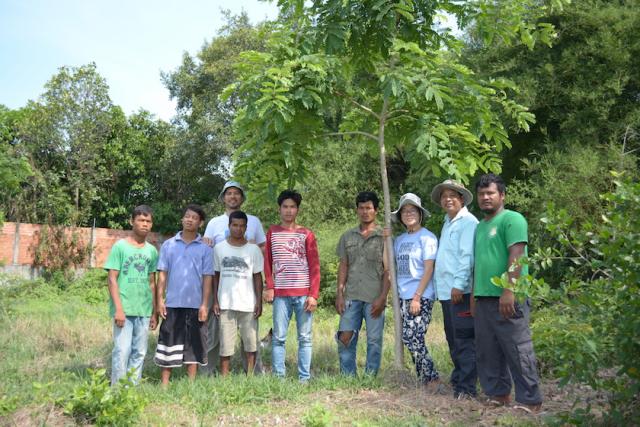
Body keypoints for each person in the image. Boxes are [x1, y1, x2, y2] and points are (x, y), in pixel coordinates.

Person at [473, 173, 543, 412]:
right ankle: (499, 394)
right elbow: (480, 263)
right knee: (488, 349)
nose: (485, 198)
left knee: (517, 348)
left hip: (508, 296)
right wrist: (475, 295)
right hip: (484, 299)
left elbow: (517, 256)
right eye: (482, 194)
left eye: (490, 193)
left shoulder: (513, 219)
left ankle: (530, 400)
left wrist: (509, 290)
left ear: (502, 195)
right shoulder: (480, 226)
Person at [203, 180, 266, 374]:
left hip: (245, 289)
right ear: (223, 197)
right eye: (229, 193)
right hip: (220, 286)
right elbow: (207, 249)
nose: (233, 196)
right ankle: (209, 371)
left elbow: (262, 248)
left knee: (250, 336)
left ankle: (253, 373)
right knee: (215, 332)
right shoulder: (214, 222)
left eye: (236, 193)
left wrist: (251, 251)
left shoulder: (254, 221)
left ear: (242, 197)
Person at [263, 190, 320, 382]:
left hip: (303, 294)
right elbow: (267, 262)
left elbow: (314, 266)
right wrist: (269, 286)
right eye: (285, 207)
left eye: (292, 207)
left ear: (298, 209)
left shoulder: (306, 234)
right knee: (278, 337)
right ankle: (279, 378)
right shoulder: (272, 232)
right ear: (279, 209)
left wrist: (314, 294)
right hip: (281, 294)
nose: (288, 211)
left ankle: (304, 378)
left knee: (305, 337)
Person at [154, 204, 214, 385]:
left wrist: (204, 304)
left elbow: (207, 278)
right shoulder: (169, 245)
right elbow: (162, 275)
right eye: (187, 216)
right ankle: (164, 384)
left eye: (194, 217)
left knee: (194, 344)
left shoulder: (205, 248)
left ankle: (191, 385)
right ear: (182, 219)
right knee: (168, 342)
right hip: (172, 303)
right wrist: (159, 300)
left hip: (196, 305)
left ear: (200, 223)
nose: (189, 219)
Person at [431, 180, 479, 399]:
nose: (447, 199)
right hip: (447, 292)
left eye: (452, 195)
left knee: (464, 339)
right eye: (444, 196)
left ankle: (467, 388)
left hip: (460, 291)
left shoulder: (468, 222)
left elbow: (467, 256)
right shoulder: (448, 221)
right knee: (452, 338)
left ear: (461, 199)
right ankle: (459, 379)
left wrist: (459, 285)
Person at [335, 191, 390, 376]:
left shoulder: (384, 237)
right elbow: (343, 265)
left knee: (374, 340)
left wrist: (383, 297)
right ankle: (348, 377)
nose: (365, 211)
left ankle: (370, 377)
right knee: (345, 336)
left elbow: (388, 271)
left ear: (376, 210)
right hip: (351, 295)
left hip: (374, 296)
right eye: (361, 208)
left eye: (369, 208)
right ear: (357, 210)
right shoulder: (347, 236)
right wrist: (340, 294)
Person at [104, 205, 159, 386]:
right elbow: (112, 279)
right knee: (121, 350)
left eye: (148, 221)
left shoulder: (151, 251)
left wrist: (154, 312)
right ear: (132, 222)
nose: (144, 224)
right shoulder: (120, 247)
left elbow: (152, 282)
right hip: (124, 310)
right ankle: (117, 390)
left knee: (140, 352)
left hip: (143, 310)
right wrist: (118, 309)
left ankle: (131, 389)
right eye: (141, 220)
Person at [392, 193, 441, 390]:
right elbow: (392, 265)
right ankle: (424, 379)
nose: (408, 214)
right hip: (403, 296)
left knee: (413, 337)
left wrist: (417, 297)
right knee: (409, 337)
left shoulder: (427, 237)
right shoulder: (399, 240)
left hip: (420, 296)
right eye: (405, 211)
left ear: (420, 214)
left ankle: (432, 377)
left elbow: (429, 269)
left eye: (412, 210)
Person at [212, 211, 264, 375]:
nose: (238, 229)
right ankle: (224, 377)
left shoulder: (253, 250)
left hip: (248, 304)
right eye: (235, 225)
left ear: (246, 228)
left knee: (250, 344)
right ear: (229, 226)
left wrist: (259, 301)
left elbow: (257, 278)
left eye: (242, 226)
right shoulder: (219, 249)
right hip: (226, 303)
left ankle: (249, 376)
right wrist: (215, 300)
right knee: (225, 345)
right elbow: (216, 277)